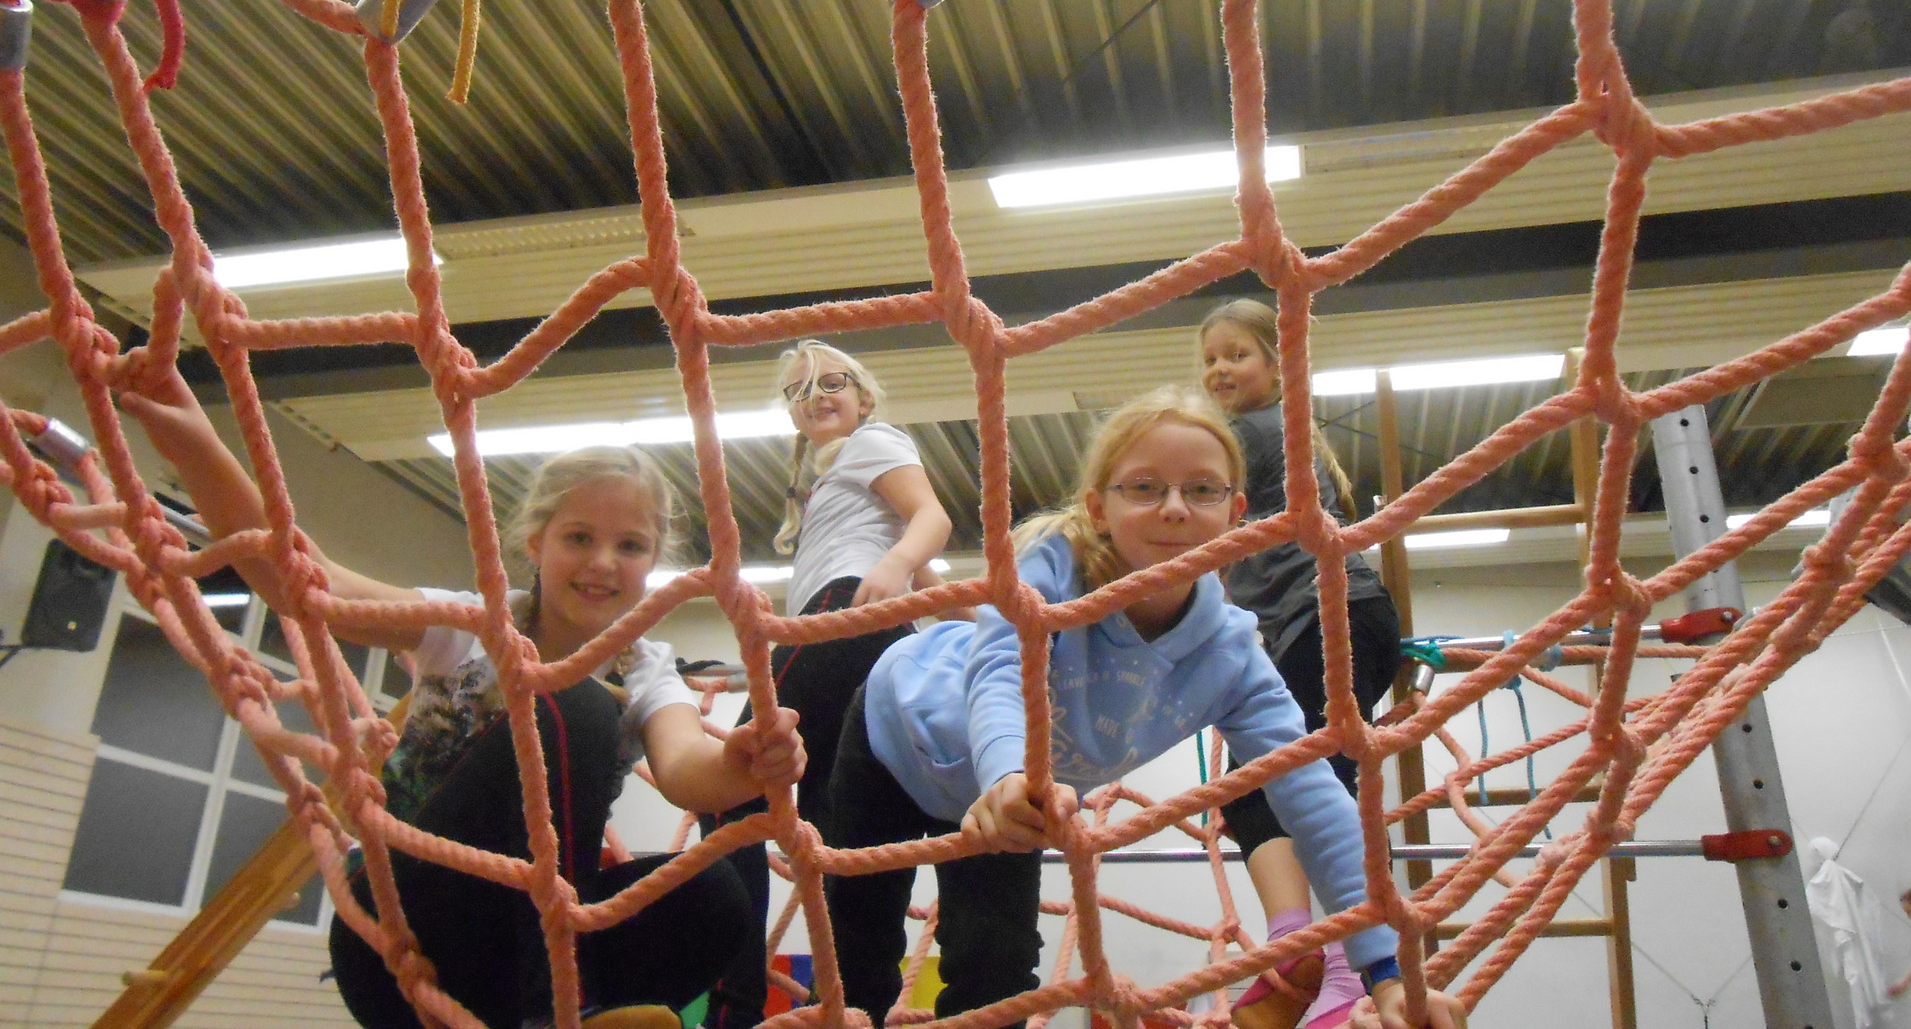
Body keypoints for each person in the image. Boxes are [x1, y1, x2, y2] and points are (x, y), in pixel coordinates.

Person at [120, 369, 804, 1029]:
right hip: (403, 936)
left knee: (712, 896)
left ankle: (564, 1004)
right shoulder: (468, 626)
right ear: (536, 543)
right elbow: (305, 583)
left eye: (629, 545)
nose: (602, 562)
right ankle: (563, 1012)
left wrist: (741, 765)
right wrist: (191, 440)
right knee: (574, 703)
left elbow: (687, 769)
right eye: (578, 538)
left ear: (654, 563)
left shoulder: (645, 665)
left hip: (513, 958)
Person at [822, 387, 1466, 1029]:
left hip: (1016, 797)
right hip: (899, 735)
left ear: (1237, 512)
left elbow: (1314, 797)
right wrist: (1005, 775)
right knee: (857, 967)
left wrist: (1386, 974)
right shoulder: (1053, 571)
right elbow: (1001, 673)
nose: (1176, 509)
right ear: (1099, 508)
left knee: (997, 975)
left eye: (1204, 490)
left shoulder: (1231, 655)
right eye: (1145, 487)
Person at [700, 340, 956, 1029]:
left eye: (830, 381)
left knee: (728, 798)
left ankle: (736, 1005)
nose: (814, 396)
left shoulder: (871, 440)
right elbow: (929, 585)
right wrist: (978, 612)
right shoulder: (836, 478)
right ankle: (855, 1004)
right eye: (797, 390)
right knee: (844, 833)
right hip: (869, 637)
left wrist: (898, 567)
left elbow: (932, 518)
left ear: (864, 396)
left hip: (843, 619)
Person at [1198, 299, 1404, 1029]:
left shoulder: (1250, 433)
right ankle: (1303, 951)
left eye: (1236, 354)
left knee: (1292, 786)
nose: (1218, 369)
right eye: (1209, 359)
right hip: (1314, 627)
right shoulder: (1273, 438)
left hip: (1333, 618)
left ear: (1278, 364)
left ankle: (1340, 966)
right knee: (1268, 788)